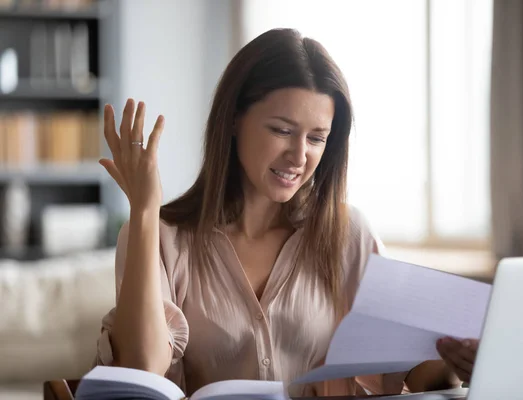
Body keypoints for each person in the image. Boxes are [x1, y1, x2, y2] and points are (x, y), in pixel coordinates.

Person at [95, 28, 479, 397]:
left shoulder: (348, 235)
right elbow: (141, 370)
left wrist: (458, 362)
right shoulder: (158, 238)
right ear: (233, 119)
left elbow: (413, 370)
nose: (299, 156)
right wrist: (145, 210)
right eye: (281, 130)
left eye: (316, 138)